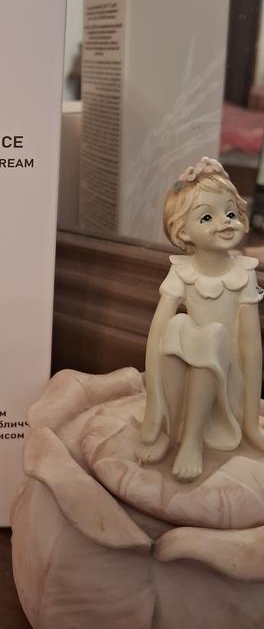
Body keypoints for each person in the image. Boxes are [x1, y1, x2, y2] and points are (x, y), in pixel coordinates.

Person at [136, 157, 264, 482]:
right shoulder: (182, 271)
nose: (225, 222)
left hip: (226, 385)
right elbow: (157, 338)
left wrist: (251, 422)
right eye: (207, 216)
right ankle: (171, 429)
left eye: (230, 213)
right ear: (183, 231)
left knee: (214, 334)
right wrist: (154, 407)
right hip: (182, 381)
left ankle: (192, 440)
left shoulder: (243, 274)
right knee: (178, 325)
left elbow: (251, 349)